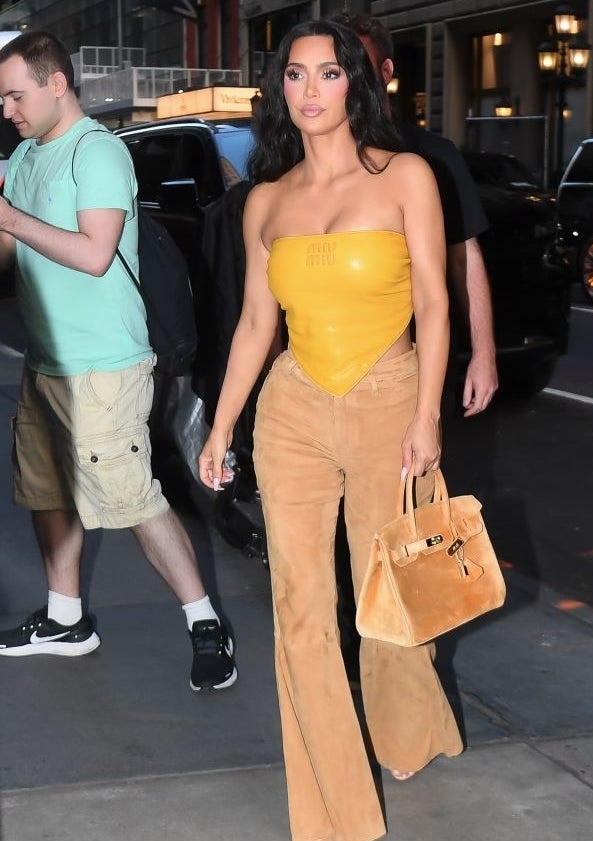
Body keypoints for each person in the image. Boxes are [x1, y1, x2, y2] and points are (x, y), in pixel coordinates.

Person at [199, 19, 463, 841]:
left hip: (388, 397)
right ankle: (333, 812)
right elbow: (253, 325)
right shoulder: (265, 201)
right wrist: (222, 427)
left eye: (327, 74)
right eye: (294, 76)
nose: (310, 92)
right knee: (300, 605)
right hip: (292, 409)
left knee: (384, 593)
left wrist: (426, 413)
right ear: (279, 91)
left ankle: (406, 726)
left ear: (356, 84)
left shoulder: (404, 177)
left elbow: (433, 301)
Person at [0, 31, 237, 692]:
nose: (8, 109)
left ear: (55, 84)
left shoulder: (97, 153)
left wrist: (11, 221)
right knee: (45, 491)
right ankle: (65, 618)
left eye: (15, 95)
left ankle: (204, 620)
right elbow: (10, 250)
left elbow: (94, 252)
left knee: (132, 500)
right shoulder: (23, 157)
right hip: (47, 358)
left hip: (106, 365)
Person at [331, 10, 498, 418]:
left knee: (412, 476)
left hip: (417, 355)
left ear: (385, 70)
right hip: (324, 356)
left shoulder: (434, 156)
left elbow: (464, 254)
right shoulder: (310, 163)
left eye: (359, 63)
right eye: (338, 68)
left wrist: (484, 353)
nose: (349, 78)